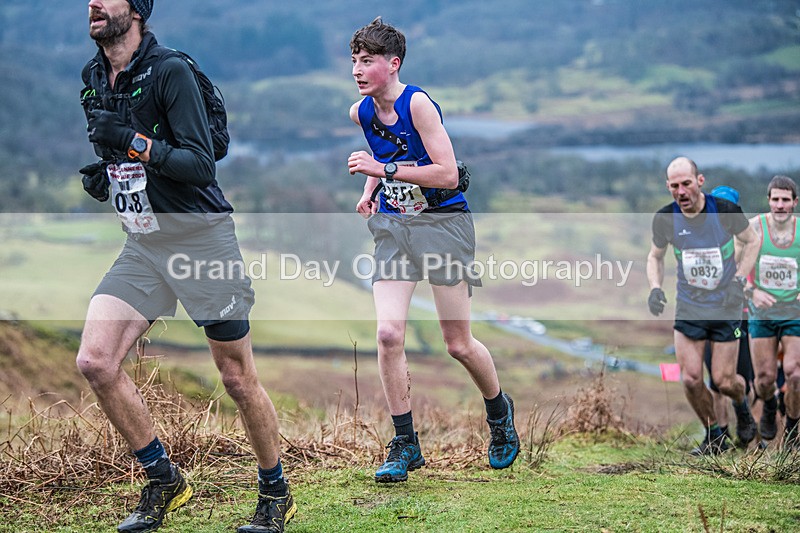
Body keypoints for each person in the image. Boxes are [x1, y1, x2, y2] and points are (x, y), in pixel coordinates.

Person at [77, 2, 294, 532]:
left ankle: (276, 493)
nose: (93, 3)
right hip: (144, 245)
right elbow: (129, 157)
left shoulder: (170, 71)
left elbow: (199, 164)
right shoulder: (93, 78)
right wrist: (109, 174)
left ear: (137, 9)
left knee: (237, 377)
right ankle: (164, 481)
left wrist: (130, 143)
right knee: (96, 361)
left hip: (201, 241)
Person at [347, 17, 519, 482]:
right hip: (395, 227)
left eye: (367, 61)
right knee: (388, 334)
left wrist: (381, 172)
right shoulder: (361, 112)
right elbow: (385, 155)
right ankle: (405, 444)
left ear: (394, 64)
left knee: (457, 343)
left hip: (443, 225)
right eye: (354, 61)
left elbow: (447, 173)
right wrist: (369, 190)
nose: (358, 70)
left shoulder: (417, 104)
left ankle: (499, 413)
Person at [646, 157, 759, 455]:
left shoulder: (724, 211)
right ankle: (715, 436)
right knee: (691, 379)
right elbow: (655, 256)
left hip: (725, 305)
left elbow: (753, 241)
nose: (681, 191)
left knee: (724, 381)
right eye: (674, 186)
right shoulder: (665, 218)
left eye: (686, 183)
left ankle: (741, 405)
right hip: (689, 306)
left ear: (700, 181)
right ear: (668, 186)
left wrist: (738, 280)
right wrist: (655, 288)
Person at [746, 175, 800, 450]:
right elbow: (733, 268)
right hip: (762, 312)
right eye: (775, 199)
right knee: (765, 379)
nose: (780, 205)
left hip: (794, 311)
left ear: (795, 202)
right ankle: (769, 405)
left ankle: (792, 427)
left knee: (795, 373)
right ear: (768, 200)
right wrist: (752, 292)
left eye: (785, 200)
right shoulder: (754, 228)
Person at [702, 186, 756, 446]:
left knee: (741, 379)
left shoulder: (747, 241)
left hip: (740, 317)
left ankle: (749, 434)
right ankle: (720, 436)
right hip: (708, 316)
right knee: (715, 381)